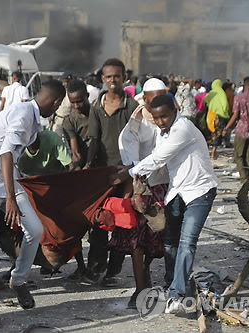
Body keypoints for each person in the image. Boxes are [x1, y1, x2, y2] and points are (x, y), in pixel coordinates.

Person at [0, 80, 65, 328]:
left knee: (36, 229)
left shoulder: (32, 116)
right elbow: (6, 153)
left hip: (6, 179)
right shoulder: (23, 115)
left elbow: (20, 152)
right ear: (56, 103)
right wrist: (10, 198)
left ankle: (17, 279)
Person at [111, 94, 218, 315]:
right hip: (177, 191)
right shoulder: (162, 132)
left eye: (165, 116)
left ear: (175, 110)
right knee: (170, 243)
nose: (161, 122)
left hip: (200, 191)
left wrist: (130, 172)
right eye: (157, 118)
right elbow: (137, 143)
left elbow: (159, 158)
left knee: (187, 243)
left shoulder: (183, 128)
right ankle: (173, 285)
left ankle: (177, 294)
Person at [84, 58, 139, 287]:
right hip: (102, 174)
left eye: (117, 76)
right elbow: (94, 139)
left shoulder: (132, 106)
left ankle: (113, 271)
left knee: (121, 222)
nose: (113, 80)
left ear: (124, 77)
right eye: (108, 77)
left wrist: (131, 173)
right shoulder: (96, 105)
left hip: (125, 172)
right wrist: (88, 164)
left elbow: (138, 141)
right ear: (103, 79)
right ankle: (95, 267)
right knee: (99, 223)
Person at [115, 78, 169, 309]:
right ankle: (139, 288)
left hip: (166, 184)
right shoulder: (135, 124)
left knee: (160, 237)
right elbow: (131, 155)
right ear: (144, 99)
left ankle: (148, 273)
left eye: (162, 96)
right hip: (143, 186)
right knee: (136, 239)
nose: (158, 102)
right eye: (153, 98)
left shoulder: (171, 117)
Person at [223, 76, 249, 234]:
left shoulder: (239, 98)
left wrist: (227, 127)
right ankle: (248, 175)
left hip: (241, 130)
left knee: (238, 155)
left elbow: (235, 115)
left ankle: (244, 177)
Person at [64, 80, 91, 169]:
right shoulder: (70, 120)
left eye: (79, 101)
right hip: (84, 159)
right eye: (73, 103)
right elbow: (74, 149)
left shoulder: (98, 114)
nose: (76, 106)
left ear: (87, 96)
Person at [203, 79, 229, 159]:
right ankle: (214, 150)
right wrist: (225, 112)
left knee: (212, 132)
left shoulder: (211, 93)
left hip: (211, 115)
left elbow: (205, 100)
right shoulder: (222, 93)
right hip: (220, 116)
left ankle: (208, 151)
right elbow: (225, 104)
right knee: (218, 133)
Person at [51, 73, 73, 138]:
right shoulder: (58, 92)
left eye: (66, 82)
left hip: (69, 120)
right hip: (58, 119)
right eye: (63, 82)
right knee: (56, 138)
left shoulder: (72, 92)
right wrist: (51, 121)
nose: (64, 84)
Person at [222, 81, 235, 148]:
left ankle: (223, 141)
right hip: (229, 114)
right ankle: (227, 142)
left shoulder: (222, 93)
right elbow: (232, 105)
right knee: (228, 129)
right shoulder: (231, 94)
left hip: (222, 114)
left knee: (223, 128)